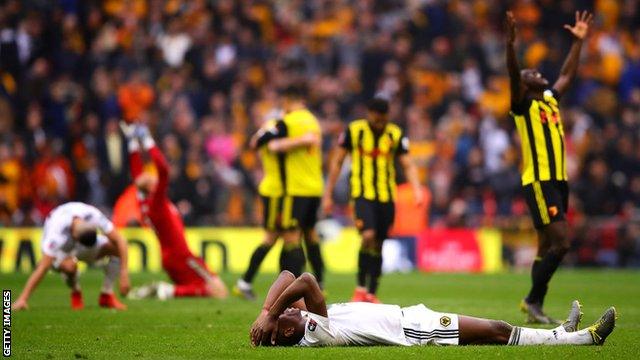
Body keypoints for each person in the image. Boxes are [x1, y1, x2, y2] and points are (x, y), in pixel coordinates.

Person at [249, 271, 616, 348]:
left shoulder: (300, 324)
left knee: (496, 328)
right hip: (415, 332)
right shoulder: (316, 333)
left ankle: (561, 333)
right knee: (497, 329)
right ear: (286, 331)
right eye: (286, 315)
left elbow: (285, 275)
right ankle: (584, 338)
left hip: (412, 316)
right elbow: (306, 281)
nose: (292, 310)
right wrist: (270, 313)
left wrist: (267, 310)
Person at [505, 10, 593, 323]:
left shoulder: (548, 100)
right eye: (531, 73)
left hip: (559, 180)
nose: (536, 73)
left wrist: (578, 42)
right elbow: (514, 75)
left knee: (545, 245)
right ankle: (532, 300)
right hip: (539, 181)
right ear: (525, 84)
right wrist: (510, 46)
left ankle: (534, 307)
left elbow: (567, 76)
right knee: (562, 242)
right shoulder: (522, 105)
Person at [322, 97, 423, 303]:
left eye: (383, 120)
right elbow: (338, 161)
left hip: (386, 196)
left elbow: (408, 164)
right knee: (368, 235)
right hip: (362, 194)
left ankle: (371, 293)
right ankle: (359, 288)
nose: (380, 124)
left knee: (379, 243)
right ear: (369, 114)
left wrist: (417, 188)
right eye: (376, 120)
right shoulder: (354, 131)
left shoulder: (395, 134)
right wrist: (328, 193)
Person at [234, 85, 324, 300]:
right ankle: (254, 283)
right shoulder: (274, 132)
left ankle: (277, 283)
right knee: (282, 237)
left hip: (279, 191)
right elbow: (262, 144)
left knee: (283, 237)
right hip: (277, 192)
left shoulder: (271, 132)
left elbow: (256, 142)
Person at [121, 122, 228, 300]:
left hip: (170, 258)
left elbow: (136, 174)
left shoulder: (146, 203)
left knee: (201, 287)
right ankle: (169, 291)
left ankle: (169, 291)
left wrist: (133, 141)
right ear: (148, 185)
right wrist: (147, 139)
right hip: (182, 255)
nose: (150, 174)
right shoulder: (157, 201)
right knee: (219, 291)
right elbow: (163, 169)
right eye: (148, 175)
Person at [12, 202, 130, 310]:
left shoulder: (92, 215)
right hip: (60, 251)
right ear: (73, 235)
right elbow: (43, 267)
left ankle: (107, 294)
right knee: (69, 267)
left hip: (83, 244)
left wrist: (124, 273)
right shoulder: (57, 232)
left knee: (117, 249)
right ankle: (75, 291)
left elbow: (121, 241)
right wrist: (23, 298)